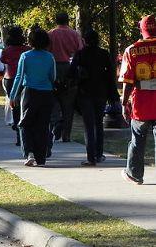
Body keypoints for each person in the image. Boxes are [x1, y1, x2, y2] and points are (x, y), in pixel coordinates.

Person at [68, 30, 119, 166]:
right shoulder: (104, 54)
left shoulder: (80, 55)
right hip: (101, 93)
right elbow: (110, 76)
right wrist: (113, 95)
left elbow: (71, 73)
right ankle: (99, 153)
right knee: (98, 123)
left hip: (85, 92)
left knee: (88, 125)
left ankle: (90, 157)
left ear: (85, 40)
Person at [10, 28, 56, 167]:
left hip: (30, 93)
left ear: (31, 41)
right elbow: (52, 76)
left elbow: (19, 76)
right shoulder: (50, 57)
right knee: (42, 126)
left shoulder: (26, 56)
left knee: (25, 123)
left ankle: (28, 153)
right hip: (46, 93)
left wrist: (13, 95)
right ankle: (41, 158)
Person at [120, 15, 156, 185]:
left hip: (141, 103)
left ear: (142, 29)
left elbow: (127, 81)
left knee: (138, 138)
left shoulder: (132, 50)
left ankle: (134, 174)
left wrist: (124, 102)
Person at [48, 12, 83, 142]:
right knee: (69, 103)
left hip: (54, 67)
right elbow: (80, 50)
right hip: (70, 68)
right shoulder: (75, 34)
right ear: (68, 20)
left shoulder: (51, 34)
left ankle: (56, 123)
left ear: (56, 20)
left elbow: (46, 50)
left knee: (54, 99)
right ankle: (66, 135)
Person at [0, 27, 30, 146]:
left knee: (14, 105)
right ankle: (22, 128)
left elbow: (3, 61)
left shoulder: (7, 50)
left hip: (10, 79)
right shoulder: (27, 50)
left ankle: (18, 132)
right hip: (24, 79)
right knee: (25, 105)